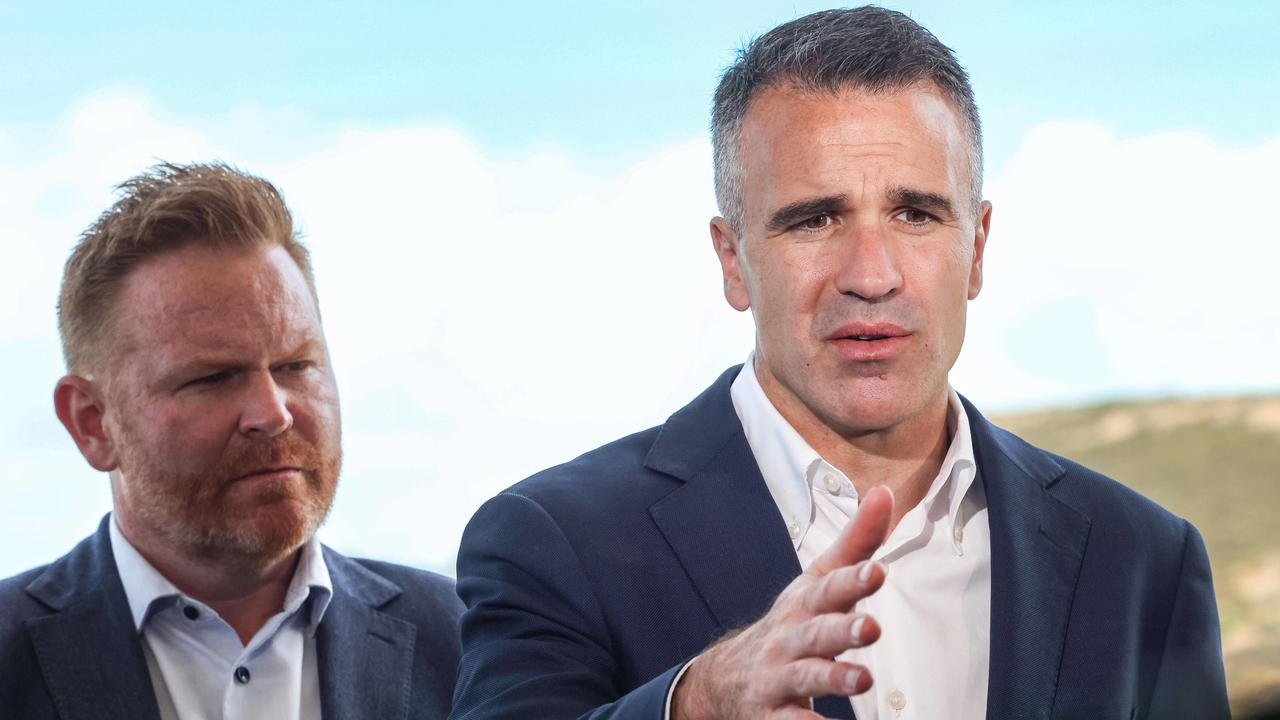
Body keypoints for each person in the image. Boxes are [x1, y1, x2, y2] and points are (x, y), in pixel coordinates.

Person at [450, 7, 1229, 720]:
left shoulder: (1144, 561)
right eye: (815, 219)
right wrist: (694, 707)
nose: (871, 273)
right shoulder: (552, 540)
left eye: (916, 213)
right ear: (732, 261)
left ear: (977, 250)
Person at [0, 162, 463, 719]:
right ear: (93, 422)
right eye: (213, 378)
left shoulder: (468, 643)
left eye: (296, 365)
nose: (273, 414)